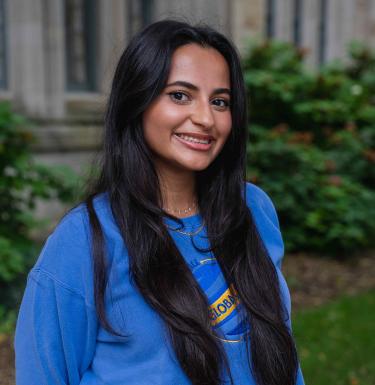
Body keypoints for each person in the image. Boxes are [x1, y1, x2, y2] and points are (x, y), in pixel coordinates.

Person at [14, 19, 305, 385]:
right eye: (180, 95)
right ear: (138, 101)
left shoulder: (252, 209)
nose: (205, 118)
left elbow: (283, 354)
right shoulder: (85, 239)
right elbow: (43, 375)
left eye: (220, 101)